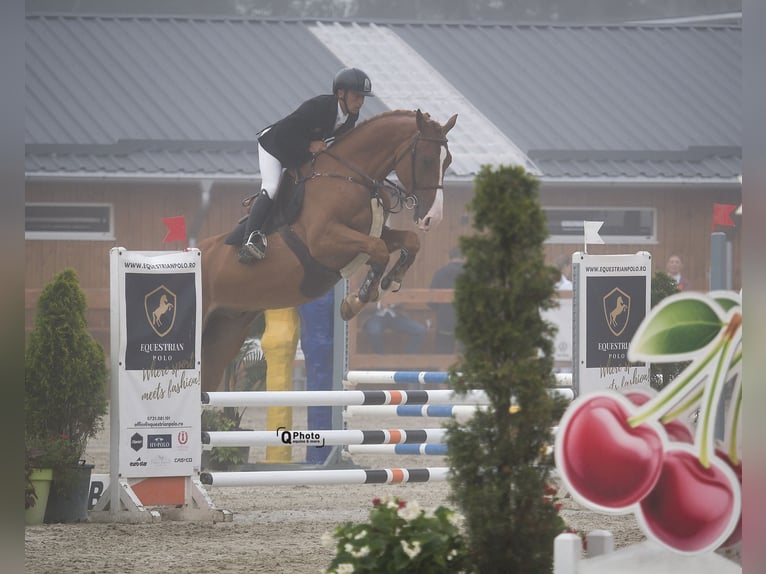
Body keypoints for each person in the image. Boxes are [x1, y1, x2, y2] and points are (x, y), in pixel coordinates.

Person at [239, 67, 375, 263]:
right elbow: (285, 133)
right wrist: (309, 145)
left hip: (298, 154)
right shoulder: (318, 106)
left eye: (363, 98)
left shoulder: (350, 117)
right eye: (356, 96)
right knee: (271, 187)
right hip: (275, 146)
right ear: (340, 93)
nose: (360, 102)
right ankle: (248, 242)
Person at [429, 247, 464, 354]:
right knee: (466, 354)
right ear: (463, 257)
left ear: (450, 257)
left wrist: (439, 309)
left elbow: (431, 300)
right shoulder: (472, 273)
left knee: (443, 352)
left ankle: (442, 369)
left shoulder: (440, 273)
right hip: (466, 320)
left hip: (445, 318)